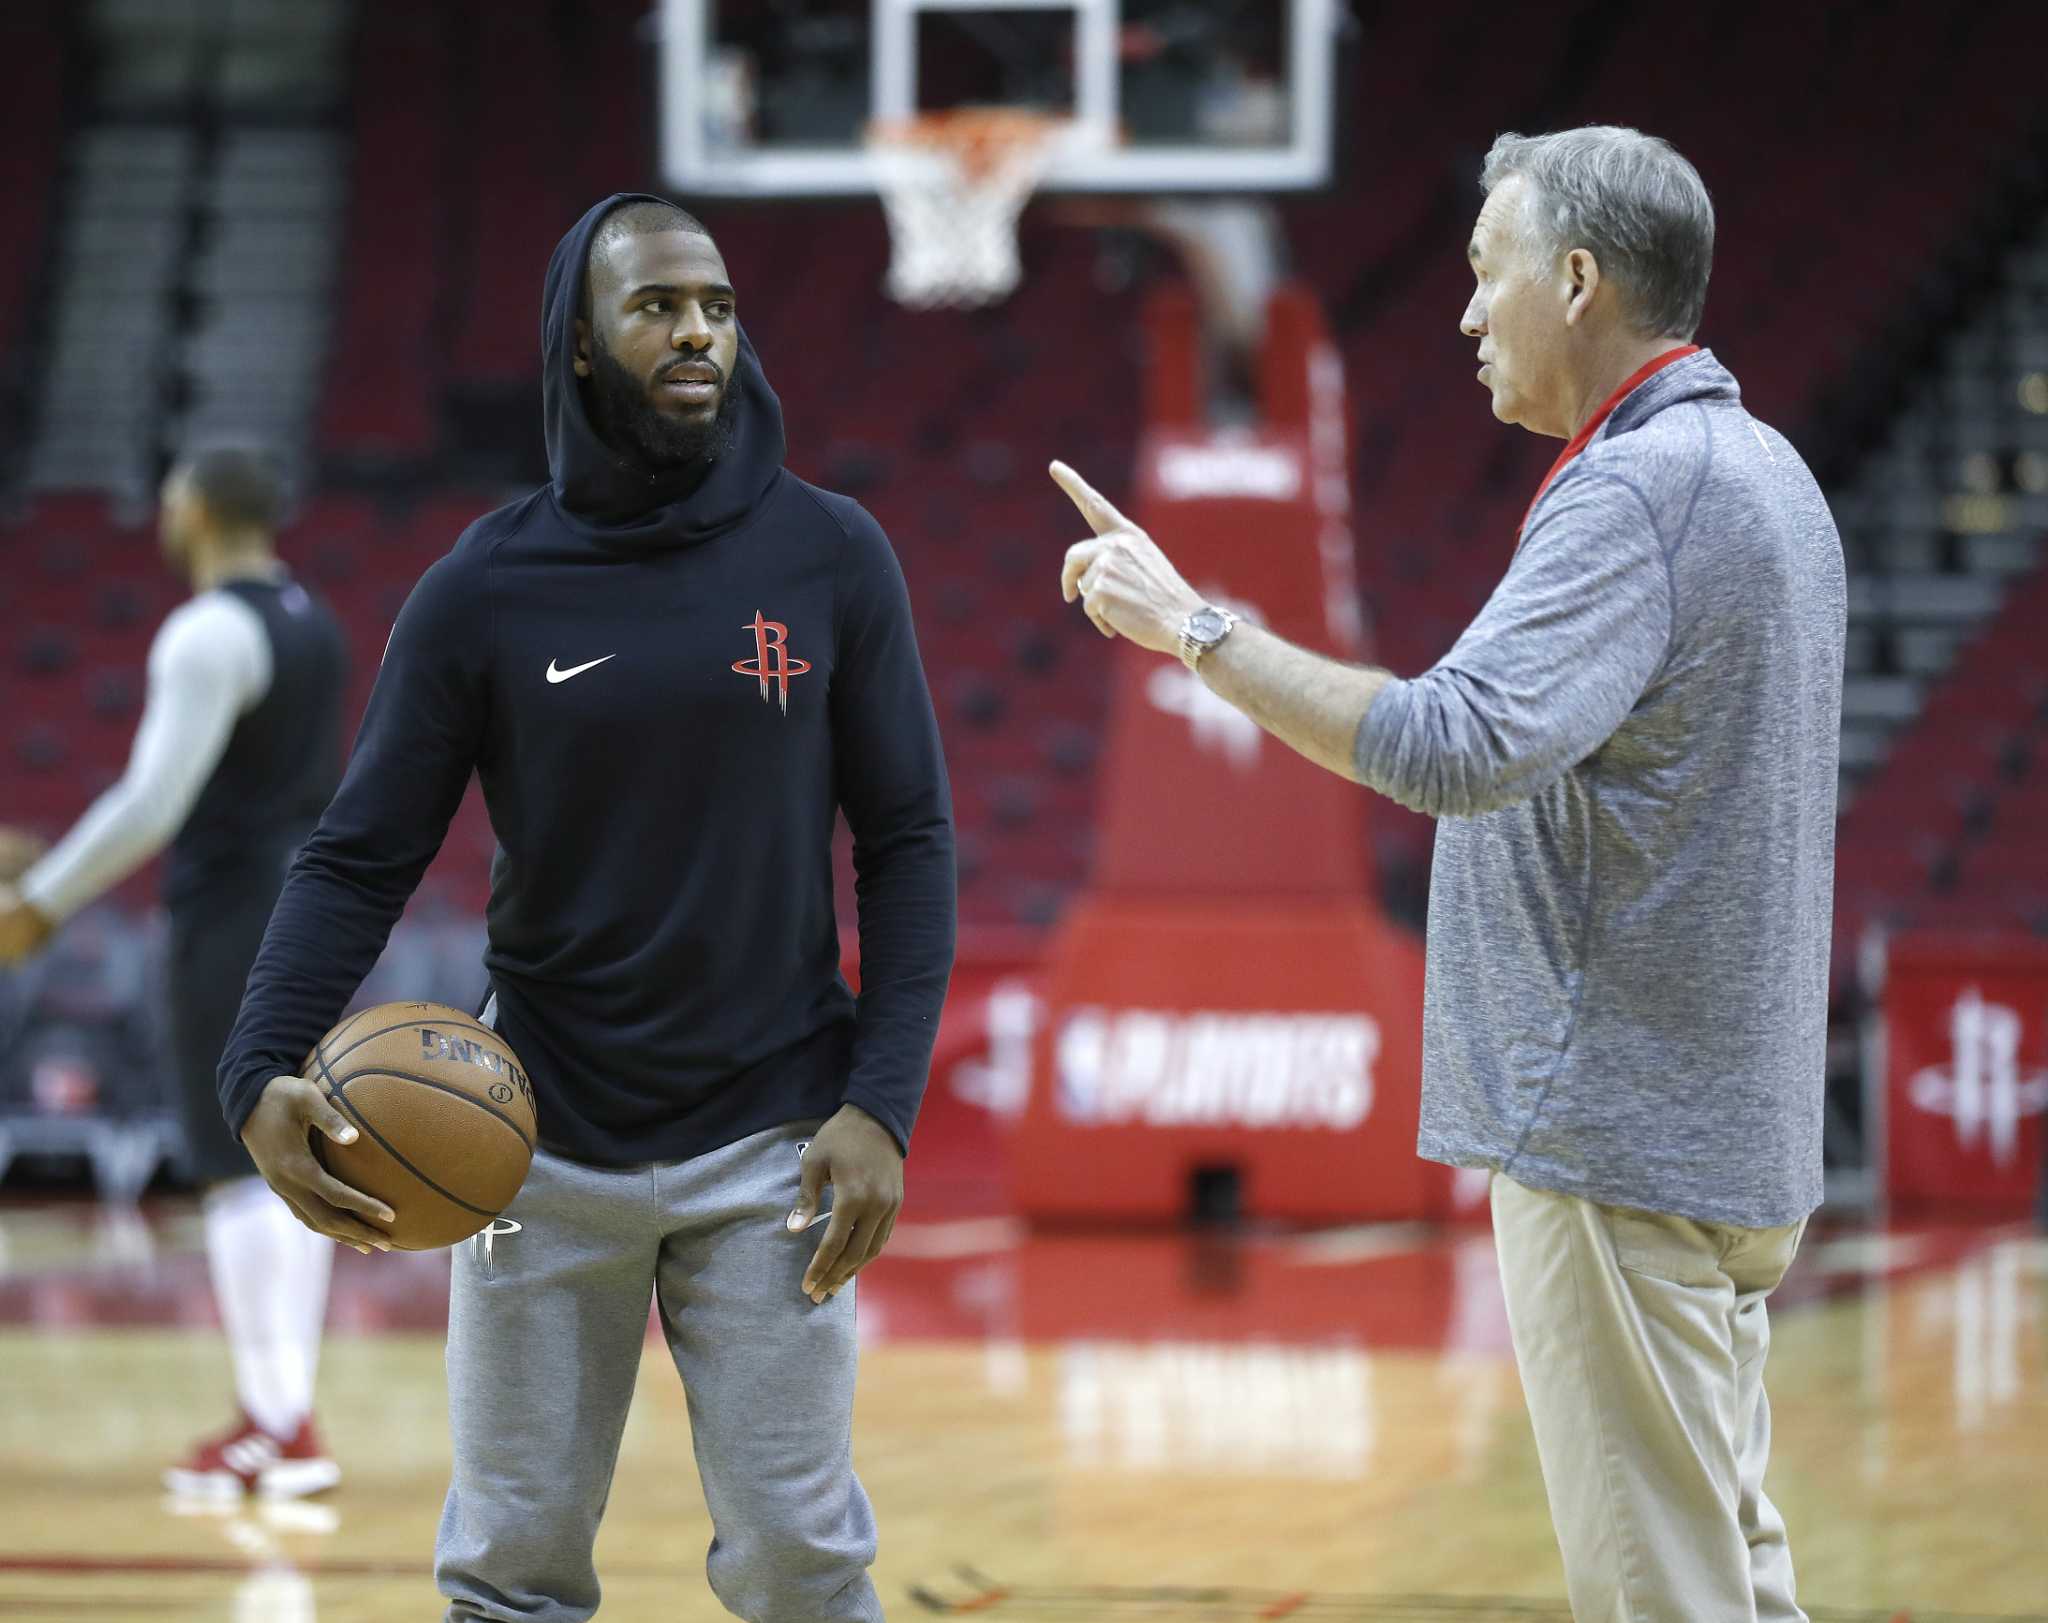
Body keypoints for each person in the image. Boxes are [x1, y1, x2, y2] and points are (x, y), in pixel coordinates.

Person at [1051, 125, 1843, 1621]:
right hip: (1726, 1129)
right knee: (1731, 1572)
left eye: (1490, 273)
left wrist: (1194, 628)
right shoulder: (1768, 471)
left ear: (1580, 277)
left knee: (1662, 1594)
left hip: (1618, 1139)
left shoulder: (1638, 492)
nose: (1468, 312)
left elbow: (1447, 743)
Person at [215, 195, 956, 1623]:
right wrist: (257, 1061)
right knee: (509, 1566)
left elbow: (910, 840)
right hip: (528, 1146)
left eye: (719, 306)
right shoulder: (485, 586)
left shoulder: (832, 554)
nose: (698, 332)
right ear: (578, 347)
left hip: (776, 1142)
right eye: (659, 306)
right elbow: (360, 850)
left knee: (805, 1561)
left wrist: (883, 1101)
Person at [0, 446, 350, 1499]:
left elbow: (153, 803)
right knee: (292, 1156)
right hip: (315, 907)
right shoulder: (312, 620)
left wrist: (39, 902)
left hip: (234, 912)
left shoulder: (208, 630)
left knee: (233, 1156)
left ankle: (276, 1426)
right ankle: (287, 1422)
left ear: (190, 511)